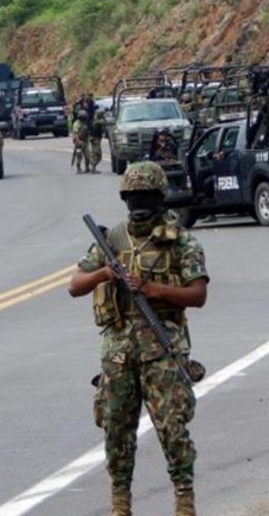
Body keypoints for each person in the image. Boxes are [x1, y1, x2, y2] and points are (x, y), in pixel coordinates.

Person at [68, 161, 209, 516]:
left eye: (145, 196)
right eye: (133, 196)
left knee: (172, 428)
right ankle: (120, 503)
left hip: (163, 349)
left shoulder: (179, 240)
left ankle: (185, 501)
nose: (138, 203)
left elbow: (198, 295)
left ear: (160, 197)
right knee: (116, 430)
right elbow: (75, 286)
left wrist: (153, 290)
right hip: (118, 353)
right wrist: (105, 273)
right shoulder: (112, 240)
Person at [73, 109, 93, 173]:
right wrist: (78, 141)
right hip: (79, 141)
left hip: (85, 141)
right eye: (83, 117)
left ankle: (87, 167)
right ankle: (78, 168)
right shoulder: (77, 124)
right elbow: (75, 133)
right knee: (79, 155)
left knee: (88, 154)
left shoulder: (85, 123)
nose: (84, 118)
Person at [89, 109, 107, 174]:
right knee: (98, 154)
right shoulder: (97, 121)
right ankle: (93, 167)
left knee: (95, 153)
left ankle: (93, 167)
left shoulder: (95, 120)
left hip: (96, 138)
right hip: (95, 139)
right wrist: (103, 117)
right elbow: (104, 122)